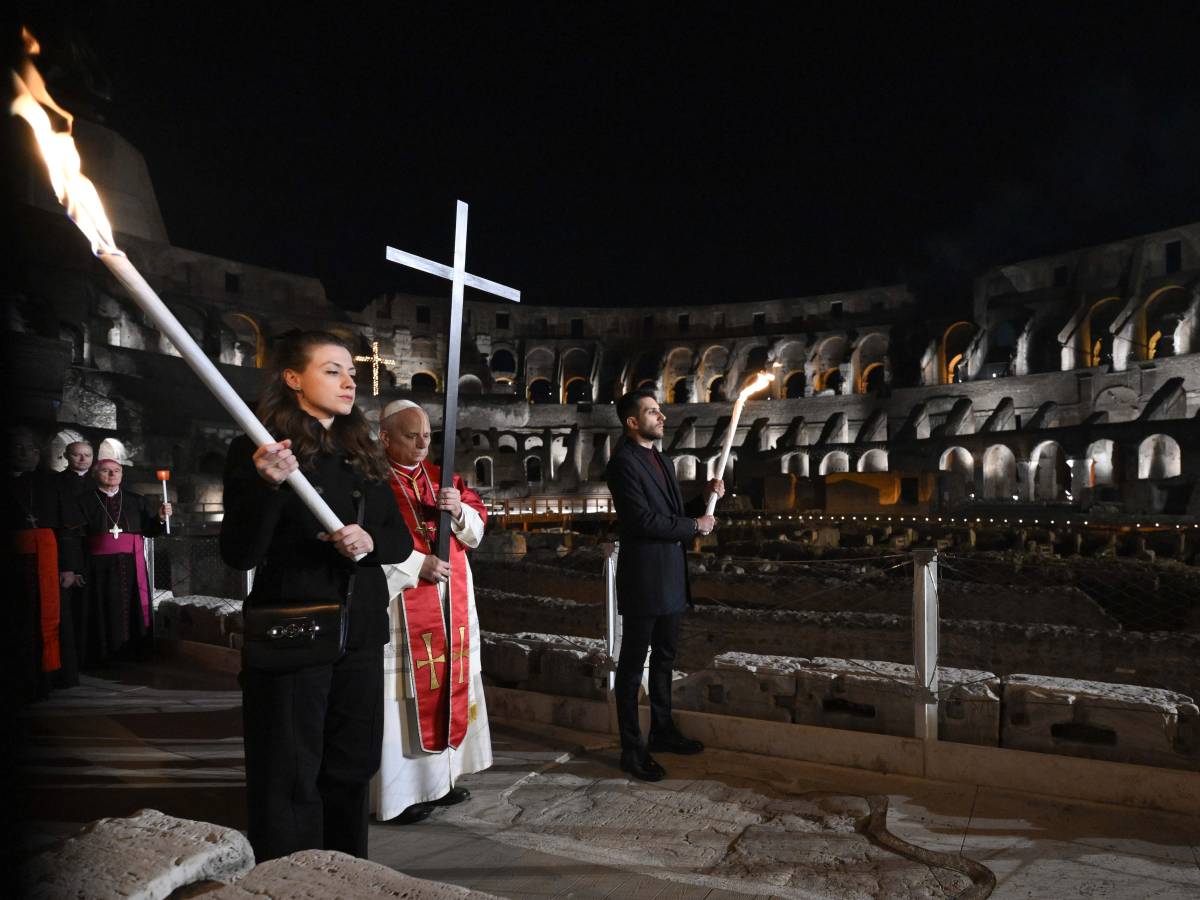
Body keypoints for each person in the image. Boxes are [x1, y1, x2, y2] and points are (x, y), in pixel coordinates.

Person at [219, 331, 413, 862]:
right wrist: (265, 487)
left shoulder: (363, 450)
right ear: (292, 378)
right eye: (331, 370)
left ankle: (346, 874)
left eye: (350, 372)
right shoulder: (257, 448)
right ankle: (289, 879)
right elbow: (239, 552)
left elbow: (397, 538)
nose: (349, 381)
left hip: (361, 632)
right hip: (296, 629)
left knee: (350, 766)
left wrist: (369, 541)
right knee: (288, 770)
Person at [370, 399, 492, 825]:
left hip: (450, 605)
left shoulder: (445, 479)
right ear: (385, 438)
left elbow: (477, 530)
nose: (423, 444)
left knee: (450, 690)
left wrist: (458, 510)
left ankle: (440, 782)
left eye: (427, 436)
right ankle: (400, 795)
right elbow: (367, 546)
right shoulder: (371, 483)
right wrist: (413, 567)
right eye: (411, 435)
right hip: (402, 608)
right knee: (402, 704)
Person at [605, 389, 724, 781]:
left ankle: (662, 730)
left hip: (671, 577)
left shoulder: (662, 459)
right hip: (644, 579)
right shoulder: (622, 464)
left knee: (665, 660)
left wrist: (701, 501)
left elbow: (670, 515)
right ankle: (632, 749)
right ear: (632, 422)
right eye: (652, 412)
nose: (662, 417)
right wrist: (694, 526)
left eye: (660, 410)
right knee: (632, 666)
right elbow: (642, 521)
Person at [59, 457, 170, 666]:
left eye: (117, 470)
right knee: (100, 610)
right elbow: (74, 537)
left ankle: (134, 654)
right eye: (106, 471)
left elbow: (150, 530)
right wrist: (74, 568)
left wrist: (161, 518)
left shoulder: (136, 500)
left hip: (131, 564)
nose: (112, 474)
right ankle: (102, 657)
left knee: (132, 608)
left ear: (122, 474)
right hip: (96, 568)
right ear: (95, 475)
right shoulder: (83, 500)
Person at [4, 425, 63, 700]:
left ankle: (43, 678)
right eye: (19, 447)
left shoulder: (48, 483)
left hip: (45, 561)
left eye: (32, 448)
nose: (26, 453)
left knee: (44, 617)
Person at [54, 440, 94, 687]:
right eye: (77, 455)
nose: (82, 459)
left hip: (92, 549)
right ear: (66, 456)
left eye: (87, 455)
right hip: (69, 547)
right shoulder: (57, 483)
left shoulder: (96, 482)